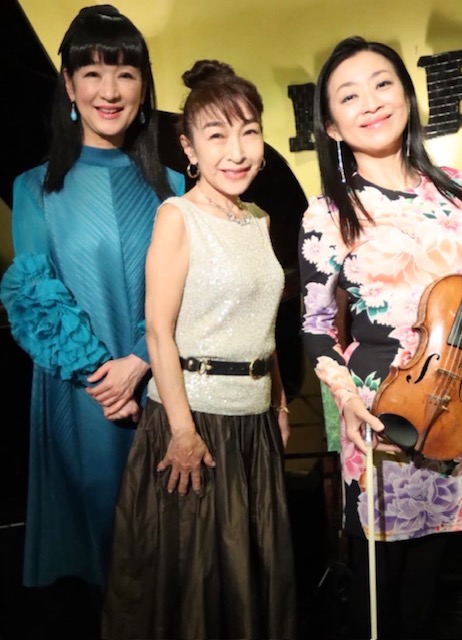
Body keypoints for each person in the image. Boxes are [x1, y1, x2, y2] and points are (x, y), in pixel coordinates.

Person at [0, 3, 184, 634]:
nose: (110, 90)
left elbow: (190, 292)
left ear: (144, 86)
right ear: (70, 86)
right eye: (94, 73)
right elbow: (33, 292)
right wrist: (104, 374)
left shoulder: (175, 186)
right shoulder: (34, 188)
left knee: (171, 558)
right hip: (83, 398)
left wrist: (138, 361)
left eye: (126, 73)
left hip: (162, 386)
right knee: (105, 558)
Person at [102, 59, 297, 640]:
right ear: (189, 147)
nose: (236, 151)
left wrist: (279, 403)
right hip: (196, 424)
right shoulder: (177, 216)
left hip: (255, 422)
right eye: (216, 135)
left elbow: (264, 322)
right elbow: (158, 331)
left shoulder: (259, 220)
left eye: (248, 132)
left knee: (249, 575)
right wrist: (182, 431)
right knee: (199, 581)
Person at [299, 36, 462, 640]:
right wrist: (346, 398)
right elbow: (316, 328)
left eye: (382, 84)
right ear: (332, 125)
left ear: (407, 96)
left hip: (458, 410)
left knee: (429, 586)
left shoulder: (461, 192)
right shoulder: (329, 212)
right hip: (381, 415)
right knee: (379, 597)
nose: (370, 102)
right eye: (349, 96)